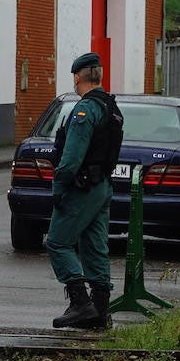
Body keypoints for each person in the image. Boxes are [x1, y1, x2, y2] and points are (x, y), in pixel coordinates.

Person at [47, 52, 124, 329]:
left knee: (57, 241)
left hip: (81, 188)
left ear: (77, 76)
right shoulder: (111, 107)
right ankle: (100, 310)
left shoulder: (85, 110)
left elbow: (71, 158)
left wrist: (58, 186)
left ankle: (81, 302)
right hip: (102, 185)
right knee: (94, 246)